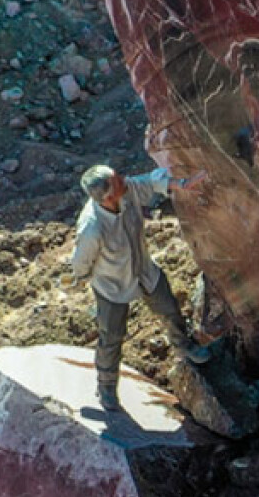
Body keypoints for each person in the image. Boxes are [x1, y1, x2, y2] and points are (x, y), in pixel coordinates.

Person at [62, 164, 210, 411]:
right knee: (111, 338)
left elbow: (148, 182)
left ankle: (184, 346)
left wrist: (181, 184)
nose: (124, 179)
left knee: (169, 309)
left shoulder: (127, 192)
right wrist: (85, 279)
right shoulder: (92, 228)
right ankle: (106, 387)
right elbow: (80, 263)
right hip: (113, 286)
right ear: (109, 197)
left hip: (144, 272)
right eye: (117, 180)